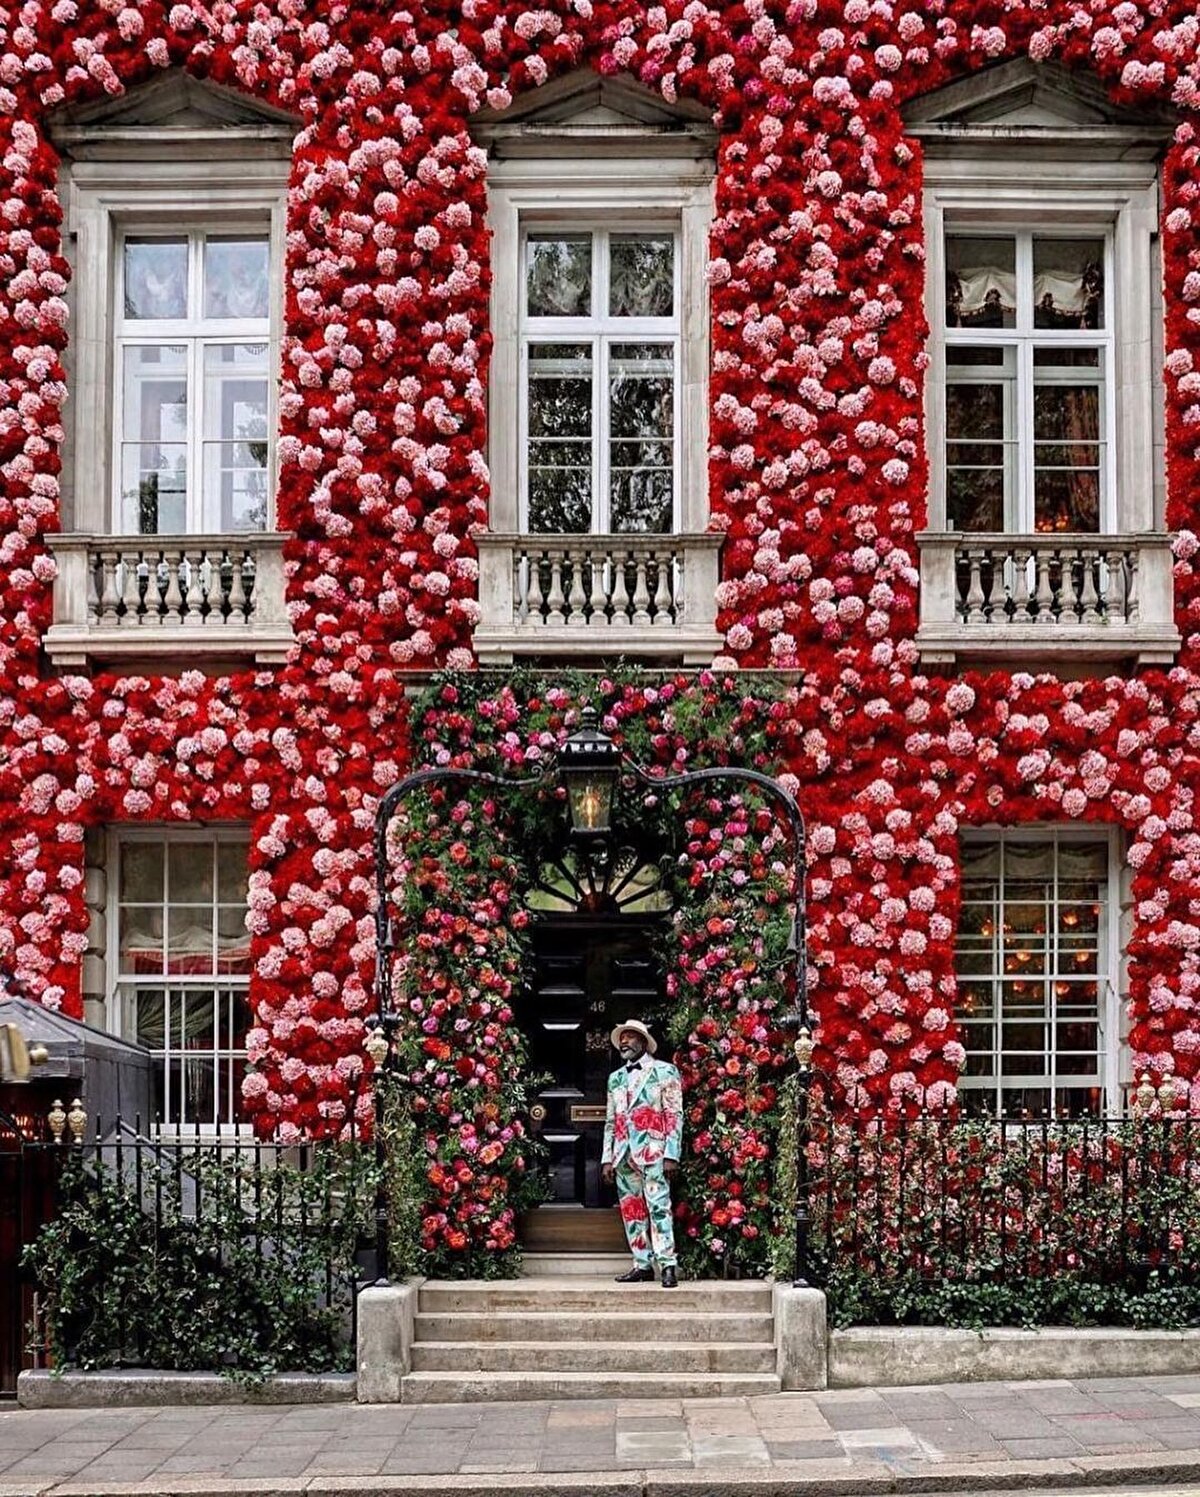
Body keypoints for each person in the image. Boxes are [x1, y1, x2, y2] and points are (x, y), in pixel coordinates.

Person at [601, 1019, 683, 1288]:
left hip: (655, 1151)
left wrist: (672, 1154)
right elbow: (611, 1122)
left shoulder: (665, 1072)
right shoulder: (616, 1078)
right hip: (624, 1155)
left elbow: (673, 1115)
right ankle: (642, 1264)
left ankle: (668, 1264)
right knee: (632, 1210)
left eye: (629, 1037)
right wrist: (607, 1158)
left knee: (659, 1207)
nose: (623, 1042)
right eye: (621, 1038)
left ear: (644, 1042)